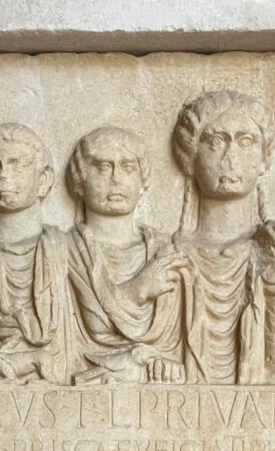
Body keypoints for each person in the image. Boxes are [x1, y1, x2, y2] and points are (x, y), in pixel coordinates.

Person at [171, 90, 275, 385]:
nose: (230, 158)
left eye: (245, 142)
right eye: (215, 142)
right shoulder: (170, 256)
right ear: (190, 157)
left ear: (264, 159)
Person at [64, 126, 185, 383]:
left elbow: (179, 345)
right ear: (79, 181)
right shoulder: (63, 252)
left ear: (143, 181)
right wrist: (136, 290)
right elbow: (55, 343)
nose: (116, 179)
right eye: (102, 167)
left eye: (127, 167)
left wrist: (160, 362)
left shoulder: (167, 254)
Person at [0, 123, 71, 384]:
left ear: (43, 180)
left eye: (17, 165)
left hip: (57, 360)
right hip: (3, 355)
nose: (3, 175)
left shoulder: (62, 245)